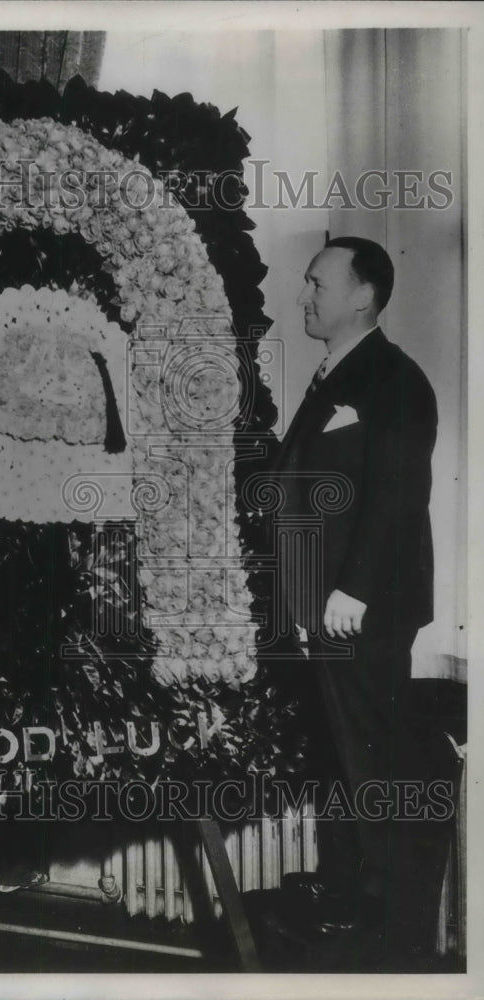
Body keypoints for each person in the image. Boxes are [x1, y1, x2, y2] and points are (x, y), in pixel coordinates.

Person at [267, 236, 457, 971]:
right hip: (319, 605)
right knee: (342, 757)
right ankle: (351, 897)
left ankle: (384, 919)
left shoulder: (394, 380)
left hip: (357, 606)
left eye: (317, 283)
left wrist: (352, 591)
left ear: (362, 296)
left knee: (370, 760)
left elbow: (395, 497)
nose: (304, 295)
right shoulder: (331, 377)